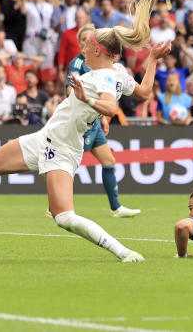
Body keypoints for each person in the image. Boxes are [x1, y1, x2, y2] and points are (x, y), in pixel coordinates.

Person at [0, 0, 171, 262]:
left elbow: (110, 107)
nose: (83, 47)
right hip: (45, 139)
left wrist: (89, 101)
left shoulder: (104, 78)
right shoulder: (119, 72)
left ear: (98, 49)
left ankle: (124, 252)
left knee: (63, 217)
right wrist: (153, 59)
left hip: (62, 150)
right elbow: (145, 92)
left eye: (86, 43)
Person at [59, 23, 141, 218]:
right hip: (83, 122)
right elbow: (71, 90)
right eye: (84, 40)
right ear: (80, 43)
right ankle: (57, 205)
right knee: (68, 163)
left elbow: (104, 94)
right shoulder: (78, 64)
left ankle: (116, 207)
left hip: (96, 119)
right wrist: (88, 103)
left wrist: (102, 117)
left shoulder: (103, 65)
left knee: (108, 160)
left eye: (91, 39)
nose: (87, 44)